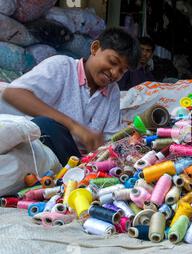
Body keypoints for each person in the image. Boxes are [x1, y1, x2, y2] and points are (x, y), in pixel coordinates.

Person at [1, 28, 141, 165]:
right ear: (95, 48)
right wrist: (74, 126)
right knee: (45, 125)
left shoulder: (113, 91)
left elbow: (112, 138)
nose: (114, 73)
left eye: (122, 71)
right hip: (46, 150)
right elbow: (14, 93)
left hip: (79, 160)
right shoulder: (62, 66)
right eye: (112, 62)